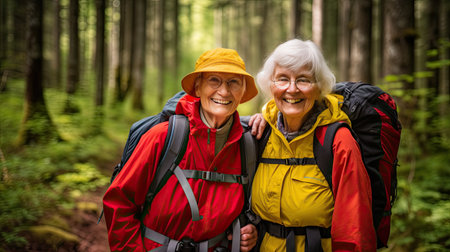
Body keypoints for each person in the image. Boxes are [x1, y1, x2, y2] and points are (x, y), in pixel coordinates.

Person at [103, 48, 258, 252]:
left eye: (233, 82)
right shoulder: (163, 137)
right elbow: (119, 203)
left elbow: (255, 209)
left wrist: (249, 231)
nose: (224, 91)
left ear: (242, 91)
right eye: (214, 80)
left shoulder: (248, 146)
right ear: (197, 87)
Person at [247, 39, 376, 251]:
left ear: (319, 87)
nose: (292, 89)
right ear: (271, 85)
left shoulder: (338, 141)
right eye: (282, 79)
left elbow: (355, 230)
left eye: (304, 80)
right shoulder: (261, 133)